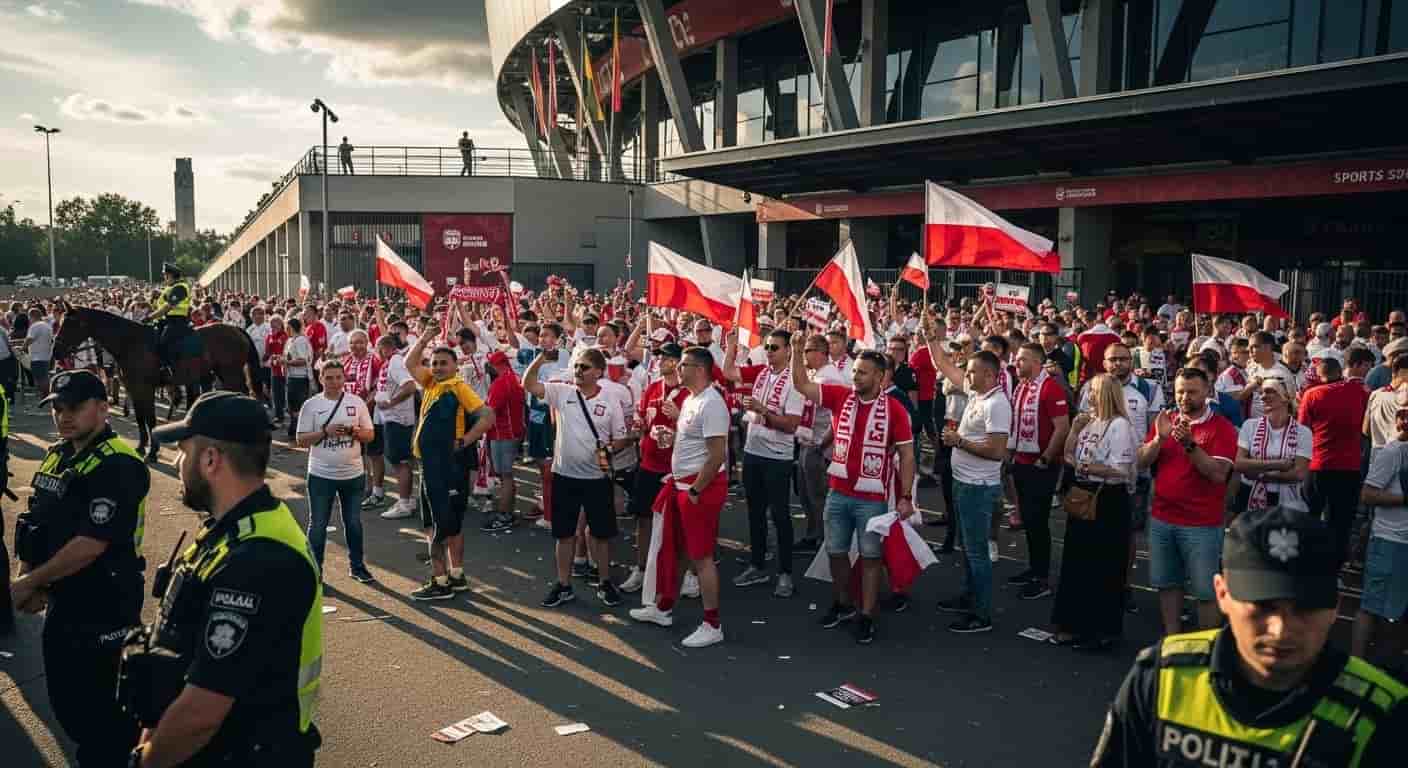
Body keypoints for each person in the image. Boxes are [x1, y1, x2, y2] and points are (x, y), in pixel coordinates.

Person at [1091, 506, 1408, 767]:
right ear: (1222, 593)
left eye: (1305, 608)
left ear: (1334, 607)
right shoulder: (1160, 677)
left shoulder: (1384, 715)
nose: (1281, 629)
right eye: (1262, 606)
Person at [126, 392, 323, 766]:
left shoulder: (258, 558)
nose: (178, 463)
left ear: (211, 459)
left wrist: (145, 762)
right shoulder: (231, 529)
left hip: (243, 753)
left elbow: (203, 711)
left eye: (183, 452)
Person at [8, 371, 150, 765]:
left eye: (73, 407)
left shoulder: (118, 462)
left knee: (104, 716)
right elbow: (35, 521)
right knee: (66, 701)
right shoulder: (59, 453)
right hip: (62, 598)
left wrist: (29, 582)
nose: (62, 416)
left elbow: (92, 543)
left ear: (104, 409)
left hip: (104, 600)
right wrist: (29, 576)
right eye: (56, 407)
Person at [791, 344, 916, 644]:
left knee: (871, 557)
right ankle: (842, 602)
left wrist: (906, 496)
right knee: (835, 551)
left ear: (880, 376)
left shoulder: (895, 409)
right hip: (838, 492)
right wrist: (797, 350)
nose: (855, 376)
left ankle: (867, 614)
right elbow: (801, 384)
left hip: (872, 499)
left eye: (862, 372)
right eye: (855, 371)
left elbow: (908, 455)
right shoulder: (840, 396)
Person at [629, 345, 731, 648]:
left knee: (701, 557)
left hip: (697, 489)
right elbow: (694, 441)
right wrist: (671, 438)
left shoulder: (712, 403)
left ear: (700, 370)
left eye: (684, 364)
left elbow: (716, 456)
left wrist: (697, 490)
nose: (677, 369)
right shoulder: (692, 400)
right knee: (677, 550)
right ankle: (663, 608)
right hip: (682, 485)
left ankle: (713, 624)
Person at [524, 346, 629, 609]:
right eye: (577, 366)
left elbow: (622, 438)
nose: (578, 371)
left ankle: (604, 582)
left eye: (584, 367)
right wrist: (541, 358)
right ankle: (563, 584)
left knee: (600, 535)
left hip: (597, 478)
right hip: (564, 476)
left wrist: (608, 450)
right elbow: (529, 384)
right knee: (564, 534)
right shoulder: (562, 392)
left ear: (598, 372)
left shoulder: (610, 400)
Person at [1138, 367, 1238, 637]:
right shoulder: (1166, 420)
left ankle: (1205, 646)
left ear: (1207, 392)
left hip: (1201, 524)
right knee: (1167, 583)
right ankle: (1173, 638)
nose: (1184, 397)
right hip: (1162, 517)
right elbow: (1141, 462)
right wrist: (1159, 439)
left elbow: (1218, 475)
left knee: (1206, 591)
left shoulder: (1222, 428)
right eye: (1180, 391)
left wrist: (1190, 445)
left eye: (1192, 391)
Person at [403, 326, 496, 600]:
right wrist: (424, 339)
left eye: (444, 363)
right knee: (446, 522)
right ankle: (456, 576)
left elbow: (487, 415)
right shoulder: (431, 383)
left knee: (439, 523)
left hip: (445, 465)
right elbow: (410, 363)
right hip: (430, 463)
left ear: (456, 365)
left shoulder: (457, 386)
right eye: (435, 363)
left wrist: (464, 441)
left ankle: (440, 581)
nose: (439, 367)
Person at [1050, 374, 1136, 650]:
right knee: (1078, 563)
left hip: (1108, 499)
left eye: (1095, 392)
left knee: (1104, 566)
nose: (1089, 396)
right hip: (1085, 495)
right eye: (1088, 391)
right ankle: (1075, 625)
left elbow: (1120, 469)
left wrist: (1086, 468)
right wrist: (1074, 432)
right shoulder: (1089, 421)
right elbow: (1069, 457)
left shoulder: (1120, 426)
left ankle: (1102, 632)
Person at [723, 327, 804, 596]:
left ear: (788, 350)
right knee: (754, 512)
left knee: (780, 515)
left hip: (778, 457)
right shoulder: (761, 372)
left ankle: (785, 573)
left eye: (775, 347)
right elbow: (729, 373)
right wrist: (731, 346)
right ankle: (757, 565)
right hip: (753, 453)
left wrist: (763, 411)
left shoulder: (795, 381)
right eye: (767, 347)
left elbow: (792, 425)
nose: (769, 352)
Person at [296, 360, 375, 583]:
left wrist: (353, 431)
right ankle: (315, 571)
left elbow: (370, 435)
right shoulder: (311, 405)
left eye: (338, 377)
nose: (334, 382)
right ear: (321, 379)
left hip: (353, 475)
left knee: (353, 522)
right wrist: (325, 431)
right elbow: (301, 440)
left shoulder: (356, 402)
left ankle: (357, 567)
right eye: (328, 377)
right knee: (318, 524)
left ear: (344, 378)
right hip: (321, 475)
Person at [1003, 342, 1070, 600]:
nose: (1016, 363)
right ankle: (1033, 568)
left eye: (1022, 359)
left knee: (1038, 521)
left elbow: (1062, 428)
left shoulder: (1050, 388)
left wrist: (1045, 458)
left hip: (1040, 464)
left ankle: (1042, 577)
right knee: (1029, 521)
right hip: (1021, 461)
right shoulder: (1022, 387)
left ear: (1037, 363)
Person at [622, 342, 690, 593]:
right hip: (649, 464)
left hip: (678, 468)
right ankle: (640, 568)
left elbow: (703, 430)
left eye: (664, 357)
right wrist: (638, 426)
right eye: (659, 356)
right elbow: (641, 415)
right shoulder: (652, 388)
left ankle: (689, 573)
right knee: (643, 518)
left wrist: (679, 416)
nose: (659, 361)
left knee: (681, 523)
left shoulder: (690, 394)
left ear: (676, 362)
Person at [1299, 347, 1370, 560]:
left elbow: (1303, 430)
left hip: (1318, 466)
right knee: (1341, 524)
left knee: (1310, 518)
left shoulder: (1312, 394)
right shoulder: (1362, 392)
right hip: (1349, 468)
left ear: (1321, 376)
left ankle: (1306, 563)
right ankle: (1334, 568)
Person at [1355, 389, 1408, 674]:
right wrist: (1404, 499)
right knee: (1373, 607)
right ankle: (1357, 666)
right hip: (1389, 541)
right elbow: (1368, 494)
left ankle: (1390, 667)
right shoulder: (1392, 452)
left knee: (1397, 612)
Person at [1233, 379, 1311, 515]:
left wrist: (1258, 472)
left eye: (1270, 391)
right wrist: (1278, 464)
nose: (1263, 396)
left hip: (1287, 502)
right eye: (1261, 392)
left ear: (1286, 397)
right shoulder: (1249, 425)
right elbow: (1239, 464)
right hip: (1249, 494)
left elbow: (1299, 473)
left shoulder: (1303, 432)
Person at [372, 333, 419, 520]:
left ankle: (405, 503)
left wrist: (391, 403)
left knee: (400, 462)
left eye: (378, 349)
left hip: (398, 419)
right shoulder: (391, 362)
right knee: (399, 460)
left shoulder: (395, 362)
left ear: (384, 348)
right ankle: (407, 499)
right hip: (391, 418)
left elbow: (409, 387)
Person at [482, 350, 526, 532]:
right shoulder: (514, 377)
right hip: (512, 431)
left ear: (496, 365)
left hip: (503, 433)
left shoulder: (501, 383)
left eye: (491, 365)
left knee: (505, 476)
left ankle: (505, 515)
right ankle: (507, 513)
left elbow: (489, 410)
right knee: (506, 475)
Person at [144, 263, 192, 373]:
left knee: (164, 342)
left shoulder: (181, 287)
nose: (164, 278)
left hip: (177, 321)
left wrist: (150, 317)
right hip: (166, 321)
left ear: (170, 275)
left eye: (165, 276)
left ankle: (168, 370)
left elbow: (168, 307)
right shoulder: (170, 287)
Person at [283, 317, 314, 441]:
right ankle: (294, 428)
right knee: (292, 405)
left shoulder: (300, 341)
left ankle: (300, 430)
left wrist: (286, 362)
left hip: (300, 377)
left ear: (291, 327)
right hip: (292, 376)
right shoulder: (291, 340)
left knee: (298, 405)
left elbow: (302, 360)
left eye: (287, 327)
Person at [22, 306, 54, 411]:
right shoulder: (47, 325)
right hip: (46, 356)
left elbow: (30, 339)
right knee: (44, 378)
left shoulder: (35, 326)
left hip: (37, 357)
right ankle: (46, 399)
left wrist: (23, 347)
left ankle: (45, 400)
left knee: (41, 380)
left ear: (32, 316)